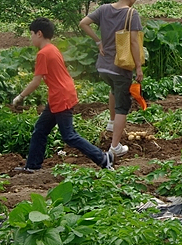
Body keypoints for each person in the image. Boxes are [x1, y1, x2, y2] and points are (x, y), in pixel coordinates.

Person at [14, 17, 112, 172]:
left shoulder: (43, 54)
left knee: (69, 135)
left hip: (60, 97)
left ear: (39, 34)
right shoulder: (52, 49)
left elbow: (36, 82)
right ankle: (32, 166)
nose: (30, 38)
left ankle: (102, 158)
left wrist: (20, 97)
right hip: (61, 94)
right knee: (40, 130)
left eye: (31, 34)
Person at [80, 0, 143, 160]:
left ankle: (111, 122)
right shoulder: (132, 14)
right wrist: (138, 67)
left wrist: (98, 41)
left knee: (114, 90)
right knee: (123, 105)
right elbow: (133, 42)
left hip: (103, 67)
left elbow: (83, 23)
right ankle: (114, 146)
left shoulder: (104, 9)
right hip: (120, 66)